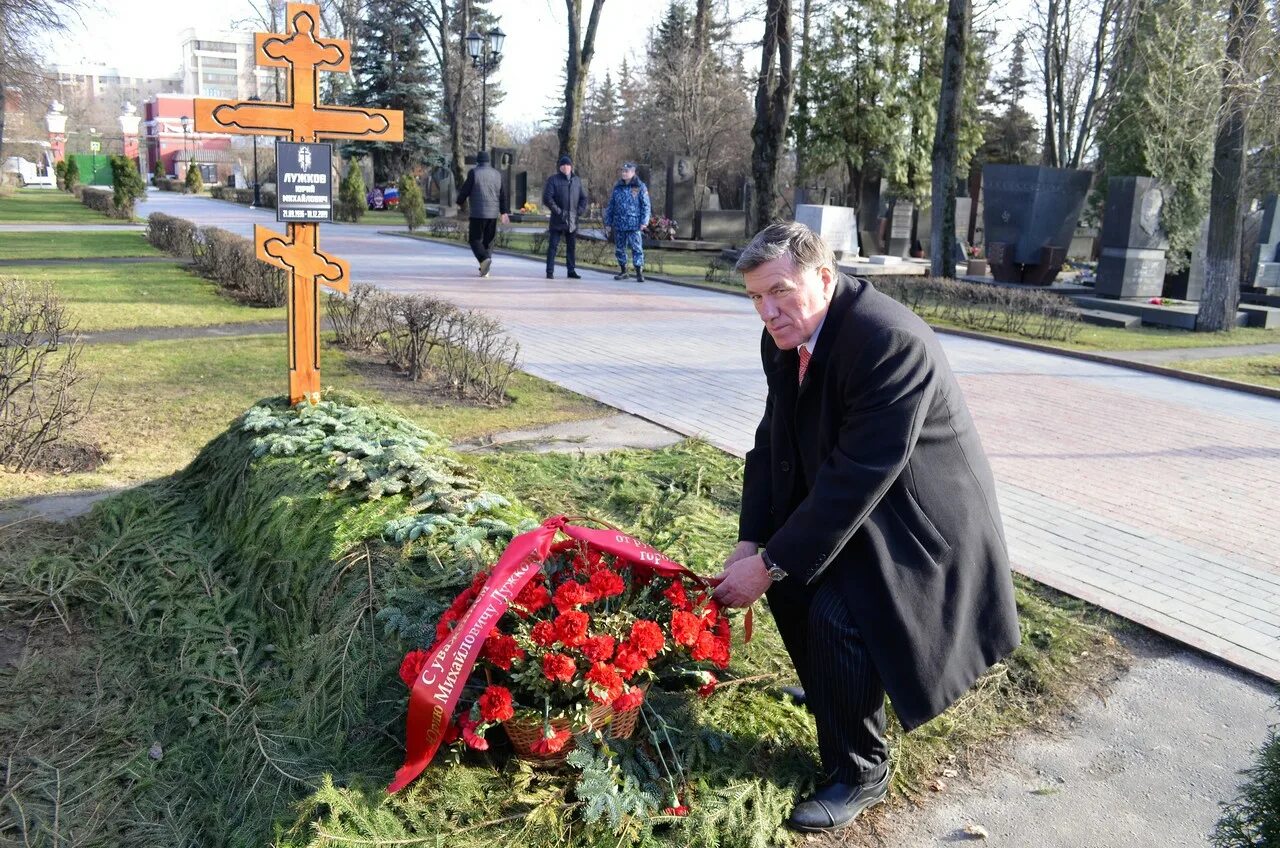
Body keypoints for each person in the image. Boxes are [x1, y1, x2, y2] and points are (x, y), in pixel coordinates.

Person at [711, 222, 1020, 834]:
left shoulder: (887, 339)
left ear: (824, 277)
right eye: (755, 298)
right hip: (862, 499)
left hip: (920, 524)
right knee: (793, 583)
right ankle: (838, 704)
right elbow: (773, 441)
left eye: (779, 291)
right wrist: (752, 542)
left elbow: (862, 472)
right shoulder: (786, 335)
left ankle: (862, 770)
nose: (767, 312)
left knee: (836, 614)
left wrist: (770, 563)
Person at [456, 151, 510, 278]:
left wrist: (459, 202)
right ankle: (485, 269)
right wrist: (503, 212)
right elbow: (502, 195)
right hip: (492, 214)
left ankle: (484, 259)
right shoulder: (497, 174)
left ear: (478, 161)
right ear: (488, 161)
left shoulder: (474, 173)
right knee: (488, 242)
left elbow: (465, 190)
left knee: (474, 239)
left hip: (478, 213)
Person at [541, 155, 589, 279]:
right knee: (553, 246)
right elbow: (547, 198)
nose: (565, 167)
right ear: (560, 167)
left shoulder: (576, 180)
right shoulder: (553, 180)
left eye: (568, 165)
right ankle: (550, 271)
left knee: (571, 247)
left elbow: (583, 198)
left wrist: (578, 211)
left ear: (571, 166)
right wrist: (559, 212)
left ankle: (571, 270)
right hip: (558, 219)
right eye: (563, 165)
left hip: (572, 220)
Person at [603, 161, 651, 282]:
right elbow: (611, 206)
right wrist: (608, 223)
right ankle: (623, 271)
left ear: (633, 172)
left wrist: (644, 222)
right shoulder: (617, 187)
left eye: (626, 171)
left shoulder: (640, 186)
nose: (624, 173)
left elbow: (646, 206)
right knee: (620, 248)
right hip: (619, 224)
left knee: (636, 248)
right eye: (622, 171)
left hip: (634, 224)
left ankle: (639, 272)